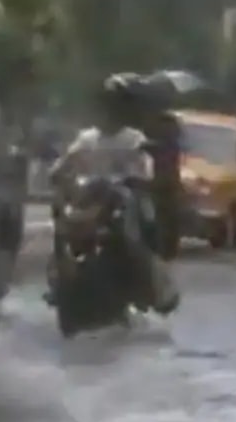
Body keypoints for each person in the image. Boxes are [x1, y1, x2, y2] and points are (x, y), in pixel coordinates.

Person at [46, 73, 179, 313]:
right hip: (89, 202)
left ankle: (155, 288)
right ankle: (58, 281)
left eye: (117, 104)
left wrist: (136, 179)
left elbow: (144, 170)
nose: (111, 110)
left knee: (134, 235)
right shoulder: (86, 139)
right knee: (61, 228)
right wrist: (58, 174)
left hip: (123, 201)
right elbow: (64, 165)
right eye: (108, 104)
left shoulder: (134, 139)